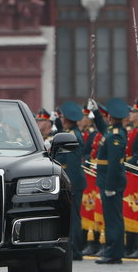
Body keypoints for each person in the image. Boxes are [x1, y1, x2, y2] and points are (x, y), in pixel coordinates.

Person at [90, 98, 128, 264]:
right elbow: (103, 128)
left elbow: (113, 163)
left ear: (110, 116)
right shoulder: (113, 131)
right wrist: (96, 112)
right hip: (108, 179)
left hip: (111, 181)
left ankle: (114, 253)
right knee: (111, 217)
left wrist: (110, 186)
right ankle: (112, 250)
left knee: (113, 218)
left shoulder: (116, 135)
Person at [55, 101, 87, 261]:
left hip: (73, 181)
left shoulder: (73, 136)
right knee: (71, 216)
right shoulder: (70, 132)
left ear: (66, 119)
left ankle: (76, 249)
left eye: (61, 117)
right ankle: (74, 247)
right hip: (72, 179)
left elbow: (73, 164)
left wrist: (69, 184)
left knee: (73, 217)